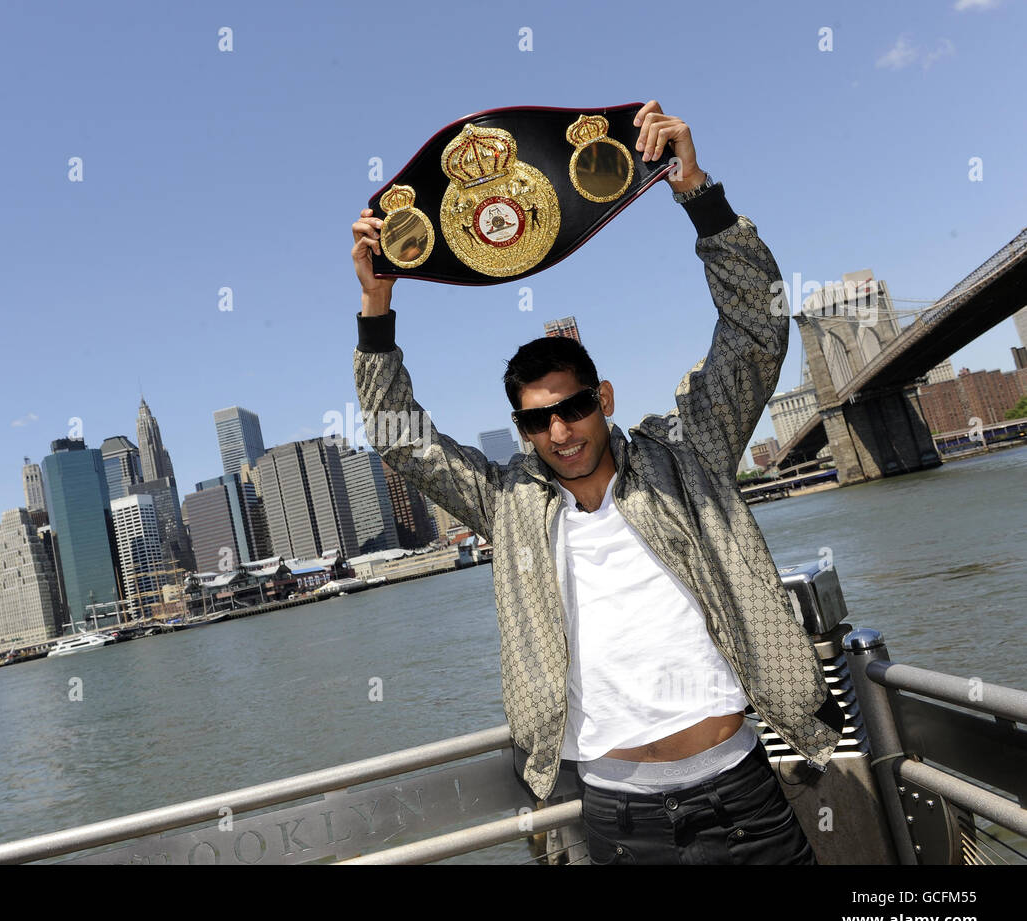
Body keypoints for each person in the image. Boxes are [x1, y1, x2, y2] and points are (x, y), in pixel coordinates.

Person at [349, 101, 845, 864]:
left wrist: (697, 193)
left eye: (575, 407)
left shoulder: (687, 459)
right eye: (537, 421)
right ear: (520, 429)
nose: (561, 431)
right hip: (618, 818)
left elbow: (755, 330)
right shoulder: (509, 505)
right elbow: (400, 440)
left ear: (603, 399)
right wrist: (377, 307)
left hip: (741, 792)